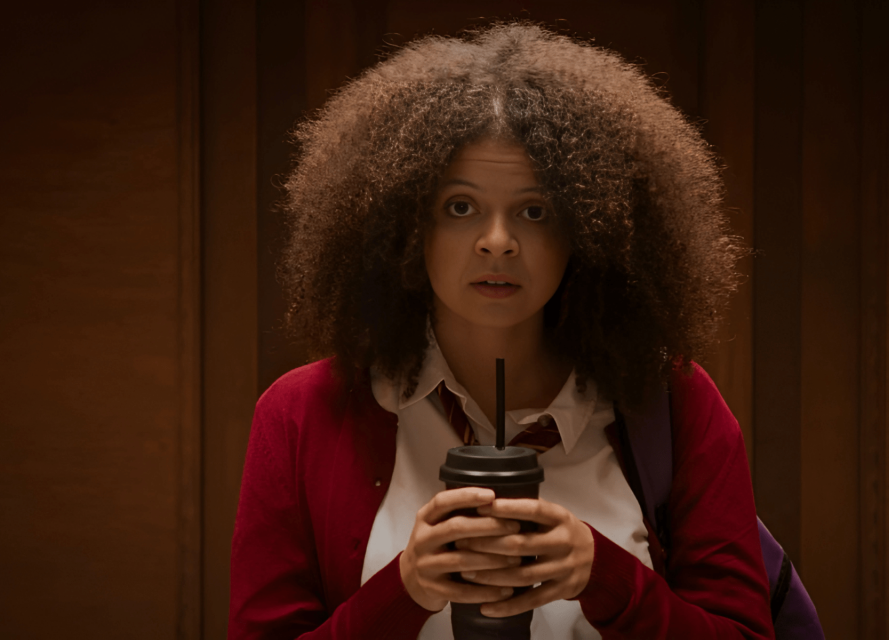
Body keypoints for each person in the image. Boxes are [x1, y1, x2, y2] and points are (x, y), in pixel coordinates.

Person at [229, 21, 774, 639]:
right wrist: (405, 589)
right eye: (460, 207)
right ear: (407, 227)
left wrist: (606, 575)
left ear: (588, 228)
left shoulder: (672, 402)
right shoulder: (300, 415)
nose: (497, 241)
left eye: (535, 211)